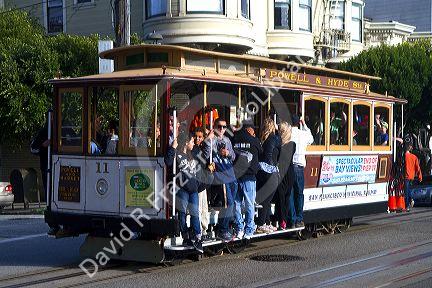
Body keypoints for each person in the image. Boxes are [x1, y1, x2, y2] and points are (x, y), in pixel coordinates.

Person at [164, 131, 213, 253]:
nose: (193, 143)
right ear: (186, 143)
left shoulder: (194, 153)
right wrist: (172, 147)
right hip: (182, 189)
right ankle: (186, 236)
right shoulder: (178, 154)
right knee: (182, 214)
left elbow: (205, 154)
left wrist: (208, 140)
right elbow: (168, 162)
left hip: (193, 189)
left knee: (195, 213)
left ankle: (197, 237)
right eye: (191, 141)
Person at [206, 118, 237, 242]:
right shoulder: (211, 140)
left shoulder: (227, 140)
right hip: (220, 174)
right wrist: (208, 140)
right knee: (228, 202)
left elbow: (233, 156)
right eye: (219, 126)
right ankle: (222, 230)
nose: (222, 129)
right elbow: (206, 155)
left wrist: (228, 153)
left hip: (231, 173)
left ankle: (227, 226)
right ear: (214, 126)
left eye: (224, 127)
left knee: (232, 203)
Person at [232, 119, 262, 239]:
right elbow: (261, 152)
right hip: (249, 176)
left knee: (237, 203)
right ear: (249, 129)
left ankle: (239, 227)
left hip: (237, 175)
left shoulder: (235, 139)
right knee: (250, 204)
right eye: (253, 129)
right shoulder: (254, 140)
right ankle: (249, 230)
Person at [255, 118, 281, 233]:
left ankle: (266, 222)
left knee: (264, 197)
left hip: (260, 170)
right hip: (271, 171)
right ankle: (261, 223)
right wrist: (278, 131)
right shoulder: (274, 138)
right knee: (267, 199)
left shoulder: (261, 139)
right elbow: (281, 144)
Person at [289, 115, 313, 228]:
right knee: (299, 193)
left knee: (290, 193)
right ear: (298, 122)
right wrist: (304, 125)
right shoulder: (303, 134)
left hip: (289, 167)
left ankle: (292, 219)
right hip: (299, 167)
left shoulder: (287, 134)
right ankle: (299, 219)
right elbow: (311, 139)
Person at [192, 127, 212, 240]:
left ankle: (204, 229)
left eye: (200, 137)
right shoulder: (194, 149)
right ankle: (200, 229)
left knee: (204, 207)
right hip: (198, 183)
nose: (197, 139)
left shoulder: (200, 148)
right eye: (196, 137)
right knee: (199, 207)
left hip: (202, 183)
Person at [277, 122, 296, 230]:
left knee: (281, 197)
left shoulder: (279, 145)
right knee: (287, 197)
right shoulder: (292, 144)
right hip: (290, 172)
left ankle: (282, 220)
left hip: (282, 172)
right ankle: (286, 220)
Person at [404, 143, 422, 212]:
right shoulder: (414, 157)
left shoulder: (404, 156)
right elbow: (418, 167)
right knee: (408, 190)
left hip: (405, 176)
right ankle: (411, 199)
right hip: (411, 176)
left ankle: (407, 205)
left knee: (406, 191)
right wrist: (420, 176)